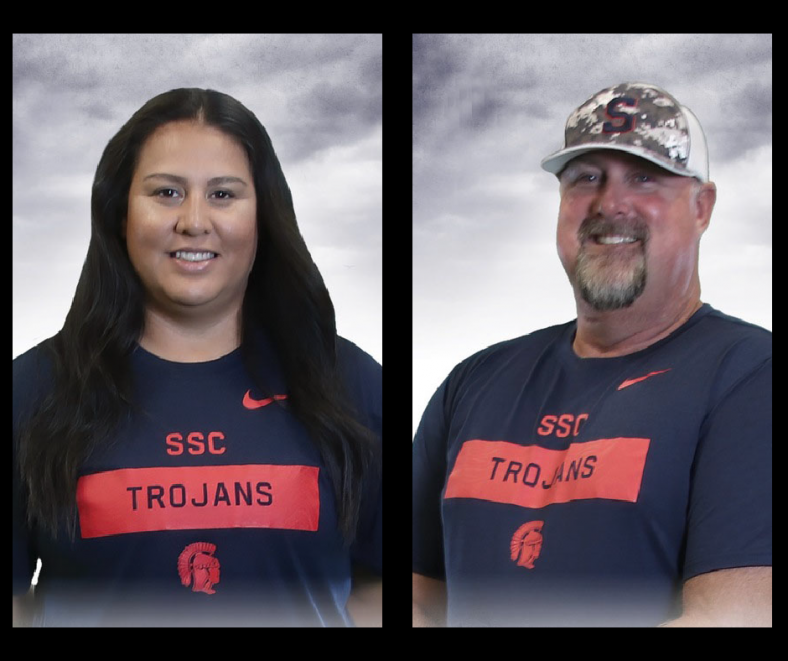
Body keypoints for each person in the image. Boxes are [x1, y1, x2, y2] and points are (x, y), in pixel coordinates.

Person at [13, 88, 382, 627]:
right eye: (165, 192)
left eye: (224, 195)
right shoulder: (33, 391)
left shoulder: (349, 386)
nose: (193, 221)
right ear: (120, 213)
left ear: (263, 216)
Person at [412, 82, 771, 627]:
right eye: (586, 178)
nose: (610, 203)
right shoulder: (474, 381)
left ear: (702, 207)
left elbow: (736, 617)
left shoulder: (749, 377)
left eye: (643, 177)